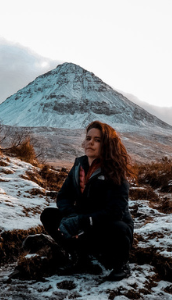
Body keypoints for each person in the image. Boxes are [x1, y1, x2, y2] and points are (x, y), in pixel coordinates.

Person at [40, 120, 136, 281]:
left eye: (97, 140)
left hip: (107, 228)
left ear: (107, 145)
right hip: (84, 224)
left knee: (118, 227)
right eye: (88, 138)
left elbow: (115, 211)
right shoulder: (79, 166)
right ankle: (80, 258)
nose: (90, 143)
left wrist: (82, 221)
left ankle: (121, 265)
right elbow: (64, 196)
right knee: (49, 215)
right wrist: (71, 217)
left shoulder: (115, 170)